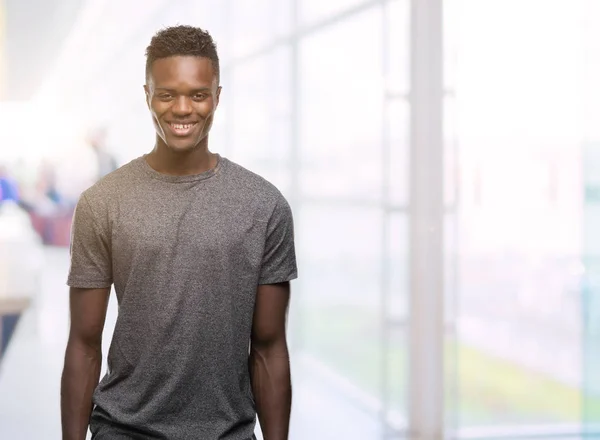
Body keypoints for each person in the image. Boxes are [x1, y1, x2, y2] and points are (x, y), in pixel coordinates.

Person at [61, 25, 297, 440]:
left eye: (198, 94)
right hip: (123, 429)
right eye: (167, 94)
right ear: (148, 95)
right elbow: (83, 344)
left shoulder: (264, 206)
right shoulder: (103, 203)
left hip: (228, 433)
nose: (182, 109)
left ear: (217, 97)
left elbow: (270, 346)